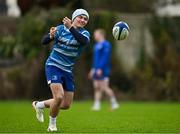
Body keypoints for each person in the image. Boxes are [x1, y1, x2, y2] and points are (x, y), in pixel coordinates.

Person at [32, 9, 90, 132]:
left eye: (85, 19)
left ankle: (39, 105)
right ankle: (52, 125)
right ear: (74, 18)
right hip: (53, 65)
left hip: (67, 70)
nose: (83, 20)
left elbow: (83, 41)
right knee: (58, 97)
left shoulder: (85, 34)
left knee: (65, 105)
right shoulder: (61, 28)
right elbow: (44, 41)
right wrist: (51, 36)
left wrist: (71, 28)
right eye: (80, 17)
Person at [88, 29, 119, 111]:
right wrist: (93, 69)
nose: (94, 36)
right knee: (96, 87)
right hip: (96, 69)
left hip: (103, 69)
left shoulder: (106, 44)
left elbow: (105, 58)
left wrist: (100, 69)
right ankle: (97, 105)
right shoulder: (96, 45)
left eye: (96, 34)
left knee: (104, 87)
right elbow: (95, 59)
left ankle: (114, 102)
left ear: (101, 35)